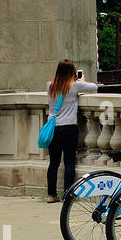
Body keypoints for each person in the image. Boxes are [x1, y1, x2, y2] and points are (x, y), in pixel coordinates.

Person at [45, 60, 97, 203]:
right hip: (69, 128)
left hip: (53, 129)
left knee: (53, 163)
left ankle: (51, 194)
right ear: (72, 72)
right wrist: (82, 80)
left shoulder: (50, 86)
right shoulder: (75, 86)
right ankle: (67, 193)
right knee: (69, 162)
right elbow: (94, 87)